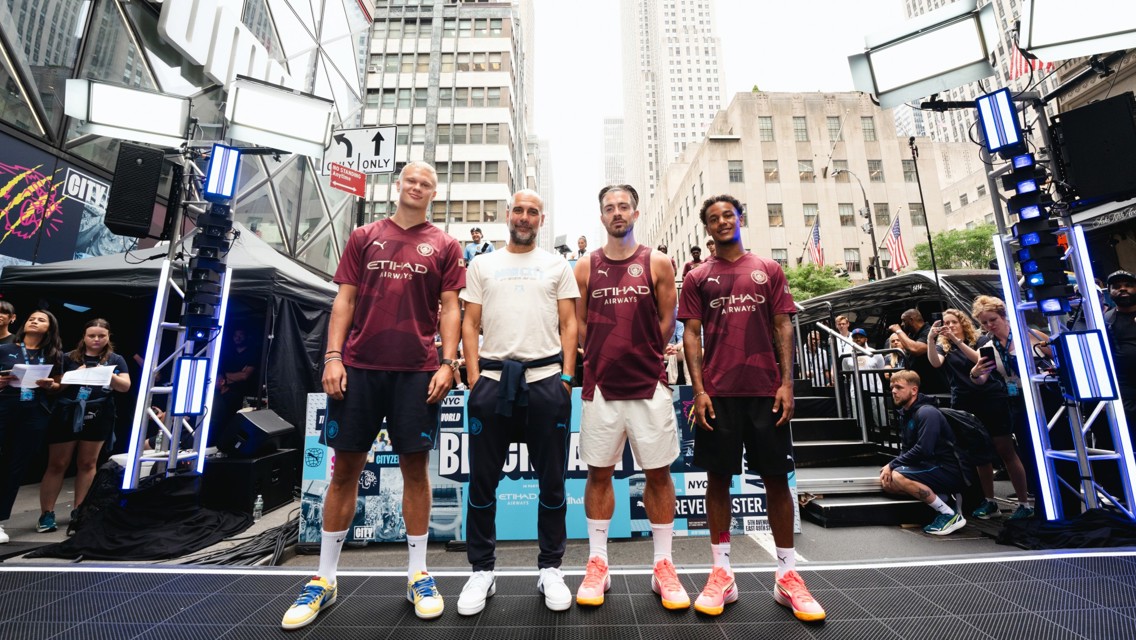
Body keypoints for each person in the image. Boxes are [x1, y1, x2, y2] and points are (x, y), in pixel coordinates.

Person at [281, 161, 464, 630]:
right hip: (358, 369)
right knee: (345, 472)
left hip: (417, 373)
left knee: (416, 472)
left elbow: (450, 308)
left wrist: (448, 362)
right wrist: (333, 356)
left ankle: (418, 574)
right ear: (398, 186)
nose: (418, 187)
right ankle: (323, 579)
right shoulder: (364, 236)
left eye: (426, 183)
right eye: (411, 180)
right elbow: (343, 299)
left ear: (433, 193)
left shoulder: (445, 245)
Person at [679, 194, 825, 622]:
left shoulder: (769, 269)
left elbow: (783, 323)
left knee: (777, 481)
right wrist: (699, 391)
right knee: (718, 479)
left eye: (728, 215)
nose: (722, 222)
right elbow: (690, 335)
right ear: (706, 228)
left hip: (766, 392)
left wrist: (786, 383)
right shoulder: (698, 276)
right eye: (713, 218)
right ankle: (722, 572)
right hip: (718, 395)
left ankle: (787, 576)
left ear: (741, 218)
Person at [456, 188, 578, 615]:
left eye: (533, 212)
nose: (525, 217)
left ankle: (550, 568)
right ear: (508, 215)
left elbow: (569, 322)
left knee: (553, 482)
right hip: (491, 382)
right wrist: (473, 377)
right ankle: (482, 571)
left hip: (546, 382)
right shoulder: (482, 263)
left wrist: (565, 378)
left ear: (541, 220)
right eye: (519, 210)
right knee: (483, 481)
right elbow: (469, 324)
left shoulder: (557, 264)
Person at [573, 184, 686, 610]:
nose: (616, 213)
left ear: (635, 213)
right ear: (601, 216)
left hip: (649, 385)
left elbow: (667, 319)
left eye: (623, 206)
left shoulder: (657, 262)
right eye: (609, 208)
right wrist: (605, 355)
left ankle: (663, 565)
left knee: (658, 474)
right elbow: (580, 325)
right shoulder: (585, 267)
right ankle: (598, 563)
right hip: (601, 386)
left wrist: (639, 355)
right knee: (598, 474)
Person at [927, 308, 1029, 521]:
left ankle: (1024, 502)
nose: (950, 325)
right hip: (964, 402)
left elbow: (981, 362)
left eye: (953, 321)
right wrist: (931, 338)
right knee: (979, 453)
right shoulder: (944, 346)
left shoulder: (981, 340)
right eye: (946, 322)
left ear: (962, 322)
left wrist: (957, 341)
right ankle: (990, 501)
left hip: (992, 398)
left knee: (1005, 450)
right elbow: (935, 363)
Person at [39, 319, 131, 536]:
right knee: (58, 463)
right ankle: (46, 513)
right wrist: (75, 375)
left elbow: (125, 387)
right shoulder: (67, 357)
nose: (97, 339)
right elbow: (55, 386)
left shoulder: (115, 359)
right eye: (92, 335)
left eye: (101, 335)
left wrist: (107, 373)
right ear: (84, 336)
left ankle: (80, 511)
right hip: (66, 413)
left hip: (99, 413)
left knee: (88, 463)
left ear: (108, 337)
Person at [968, 295, 1048, 520]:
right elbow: (982, 378)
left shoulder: (1029, 335)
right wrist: (975, 373)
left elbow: (1057, 358)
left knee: (1049, 448)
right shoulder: (989, 346)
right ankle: (1038, 502)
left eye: (992, 320)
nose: (989, 326)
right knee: (1028, 451)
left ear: (1003, 316)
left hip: (1043, 398)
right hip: (1016, 400)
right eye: (983, 323)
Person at [0, 309, 63, 545]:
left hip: (35, 411)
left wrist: (50, 385)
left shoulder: (53, 354)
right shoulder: (5, 349)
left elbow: (59, 385)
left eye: (41, 320)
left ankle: (0, 520)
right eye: (31, 319)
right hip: (5, 406)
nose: (34, 321)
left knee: (16, 465)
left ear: (50, 327)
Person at [881, 371, 971, 535]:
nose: (893, 391)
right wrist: (892, 468)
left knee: (899, 476)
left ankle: (949, 514)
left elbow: (924, 449)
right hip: (931, 466)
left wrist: (893, 465)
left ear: (914, 390)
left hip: (949, 469)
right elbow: (907, 449)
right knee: (890, 484)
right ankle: (946, 499)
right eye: (892, 387)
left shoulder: (927, 412)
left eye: (899, 387)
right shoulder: (907, 414)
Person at [888, 309, 948, 394]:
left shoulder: (930, 331)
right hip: (918, 385)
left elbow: (915, 349)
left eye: (903, 321)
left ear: (911, 320)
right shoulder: (912, 335)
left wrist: (898, 331)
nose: (901, 324)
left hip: (934, 386)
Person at [213, 326, 259, 436]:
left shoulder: (252, 353)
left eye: (240, 335)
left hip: (243, 393)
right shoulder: (228, 352)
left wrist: (227, 376)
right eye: (235, 335)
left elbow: (244, 376)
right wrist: (232, 376)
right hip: (224, 392)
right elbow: (220, 374)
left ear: (246, 336)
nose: (237, 338)